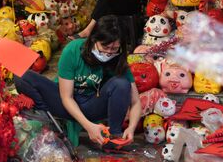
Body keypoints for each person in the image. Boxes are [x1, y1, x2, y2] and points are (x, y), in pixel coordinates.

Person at [14, 15, 142, 145]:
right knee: (22, 76)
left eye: (114, 49)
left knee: (121, 84)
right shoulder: (73, 50)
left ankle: (114, 137)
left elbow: (136, 101)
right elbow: (66, 97)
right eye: (104, 47)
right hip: (65, 102)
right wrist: (88, 126)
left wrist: (131, 128)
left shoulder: (117, 59)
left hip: (93, 105)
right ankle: (51, 120)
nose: (109, 53)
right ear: (93, 40)